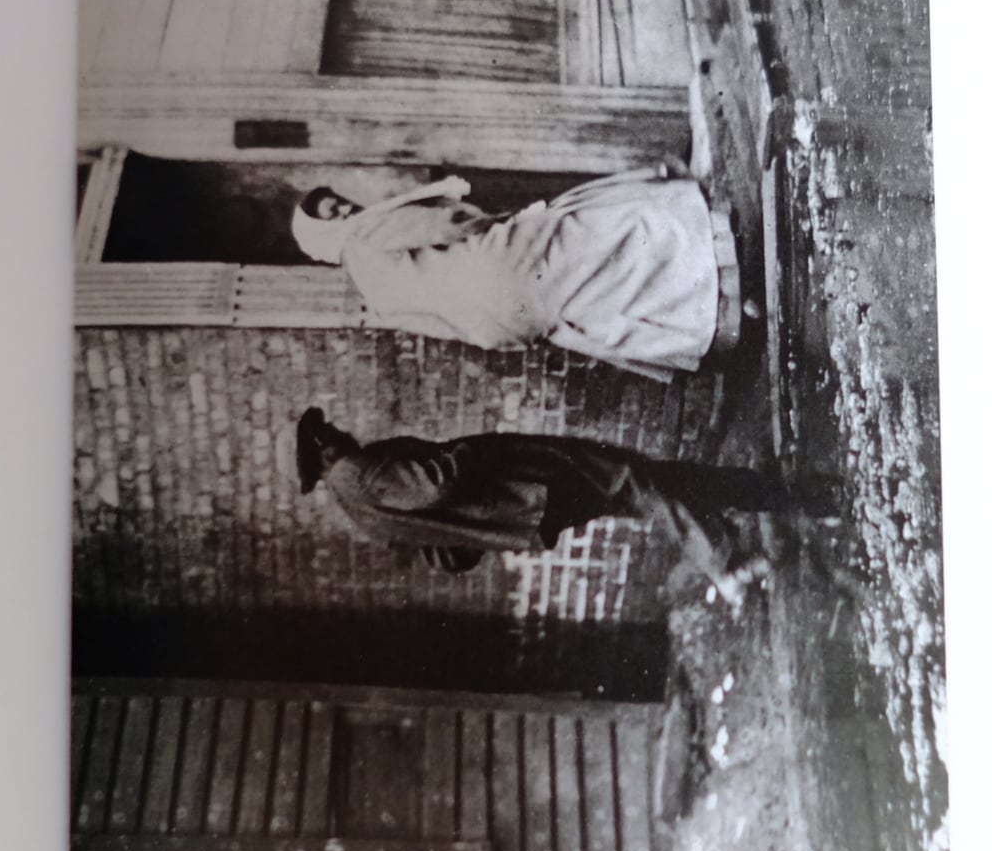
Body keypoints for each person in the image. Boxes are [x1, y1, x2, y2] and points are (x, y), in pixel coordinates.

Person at [289, 167, 740, 379]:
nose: (346, 210)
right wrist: (502, 220)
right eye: (334, 213)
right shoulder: (363, 234)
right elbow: (447, 224)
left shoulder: (375, 298)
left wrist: (505, 335)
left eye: (339, 204)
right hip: (497, 266)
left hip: (500, 323)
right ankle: (710, 248)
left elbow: (441, 325)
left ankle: (711, 319)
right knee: (584, 221)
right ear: (326, 236)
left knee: (590, 300)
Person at [294, 409, 811, 586]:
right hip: (527, 484)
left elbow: (446, 557)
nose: (336, 428)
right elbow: (439, 482)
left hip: (524, 514)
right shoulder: (353, 472)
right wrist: (476, 448)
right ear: (319, 448)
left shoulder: (359, 515)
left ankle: (776, 494)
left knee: (647, 482)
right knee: (631, 480)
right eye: (326, 429)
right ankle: (724, 560)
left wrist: (481, 530)